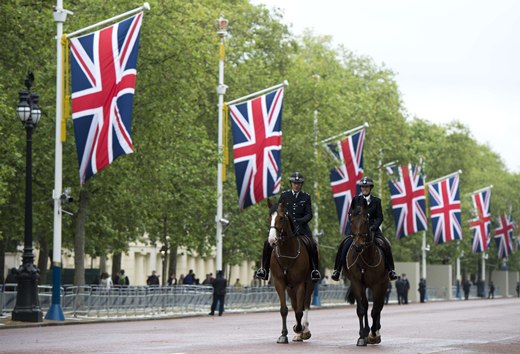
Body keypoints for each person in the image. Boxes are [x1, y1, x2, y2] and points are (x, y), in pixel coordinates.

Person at [255, 172, 321, 282]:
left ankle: (314, 270)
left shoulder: (306, 197)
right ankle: (264, 270)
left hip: (302, 228)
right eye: (294, 183)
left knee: (312, 244)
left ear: (301, 185)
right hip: (285, 229)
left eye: (299, 183)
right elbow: (278, 210)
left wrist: (298, 221)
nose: (296, 185)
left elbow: (309, 214)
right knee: (267, 243)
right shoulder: (285, 195)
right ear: (291, 184)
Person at [331, 177, 398, 282]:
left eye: (366, 187)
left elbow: (380, 217)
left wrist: (374, 226)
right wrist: (356, 223)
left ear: (370, 188)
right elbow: (350, 214)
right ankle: (337, 270)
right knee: (344, 245)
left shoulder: (376, 201)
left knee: (385, 244)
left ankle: (391, 270)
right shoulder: (355, 200)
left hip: (372, 229)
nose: (364, 188)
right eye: (363, 187)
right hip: (358, 229)